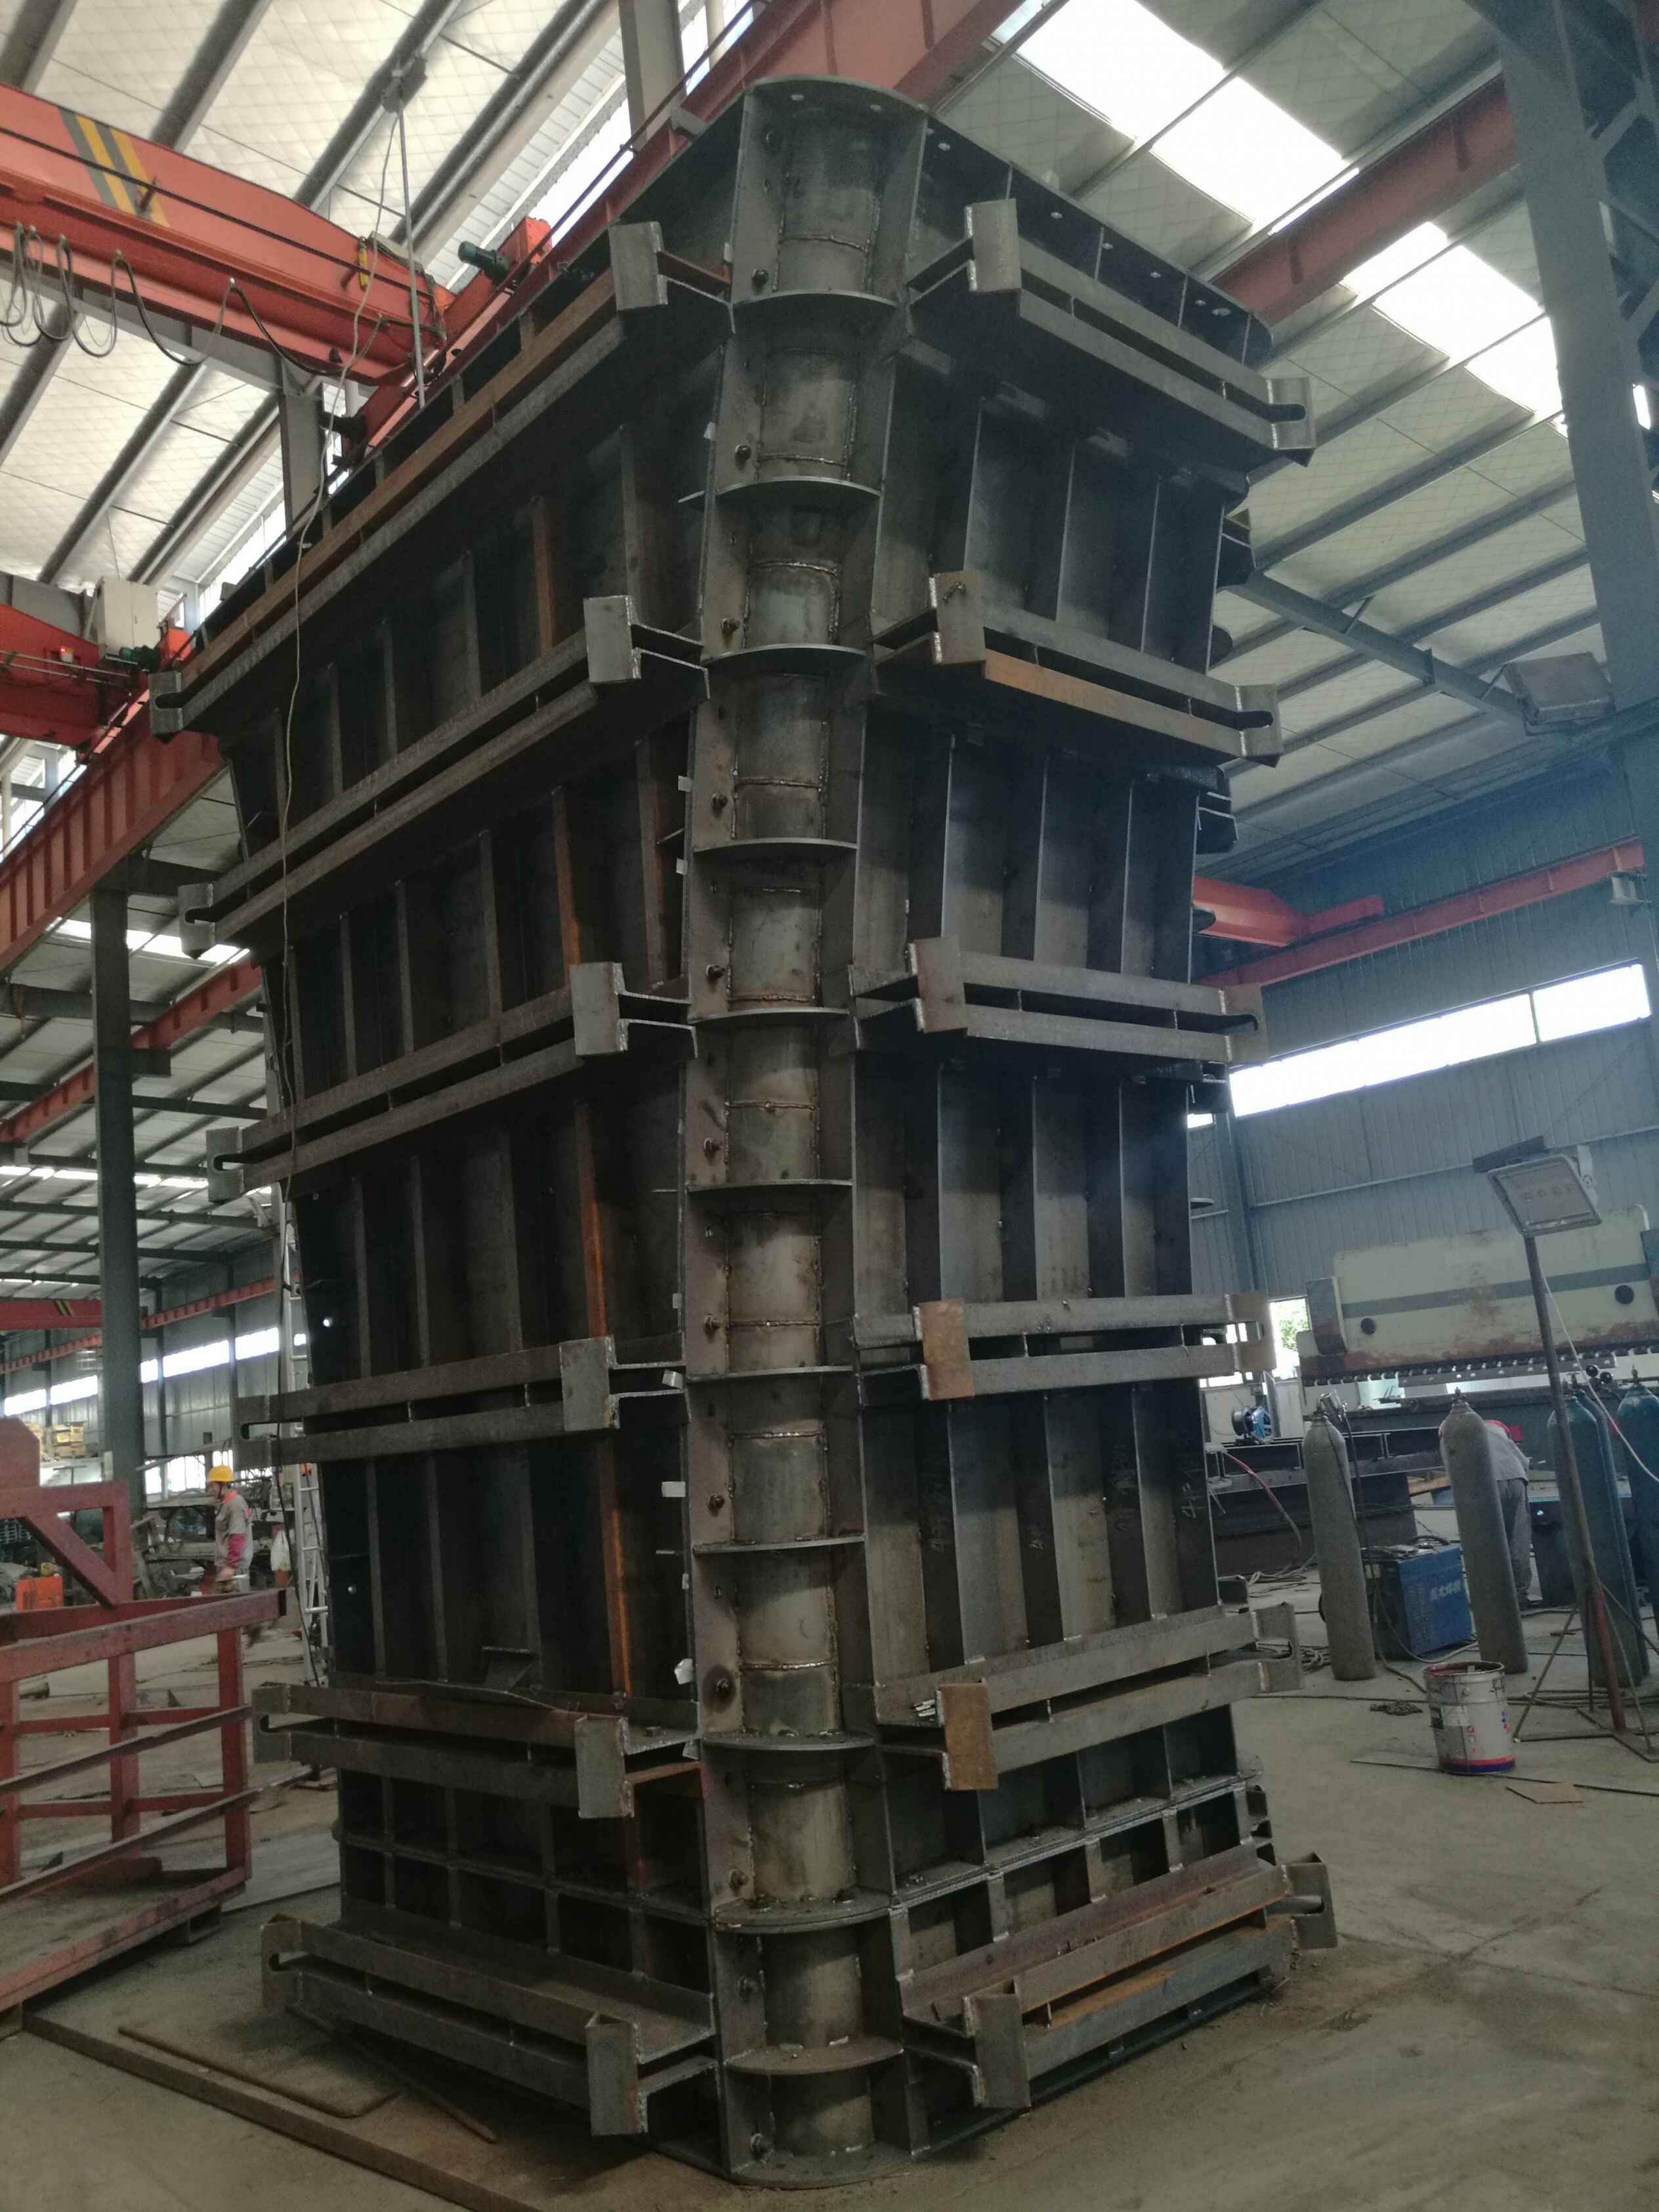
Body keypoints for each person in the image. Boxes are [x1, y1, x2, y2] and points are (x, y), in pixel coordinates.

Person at [1482, 1419, 1536, 1607]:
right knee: (1518, 1538)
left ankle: (1499, 1597)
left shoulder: (1451, 1431)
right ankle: (1520, 1595)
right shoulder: (1497, 1428)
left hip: (1489, 1481)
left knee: (1493, 1539)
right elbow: (1524, 1462)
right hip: (1517, 1478)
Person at [197, 1463, 249, 1596]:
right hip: (227, 1567)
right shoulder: (226, 1504)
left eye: (213, 1486)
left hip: (233, 1570)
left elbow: (237, 1537)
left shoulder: (235, 1504)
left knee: (233, 1606)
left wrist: (231, 1567)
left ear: (223, 1484)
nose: (210, 1490)